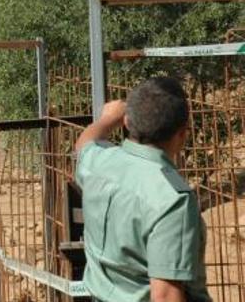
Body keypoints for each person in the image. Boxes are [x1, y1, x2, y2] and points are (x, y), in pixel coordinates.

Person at [74, 77, 211, 302]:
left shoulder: (98, 163)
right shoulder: (171, 199)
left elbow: (84, 144)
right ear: (183, 134)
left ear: (127, 122)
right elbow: (166, 296)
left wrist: (108, 119)